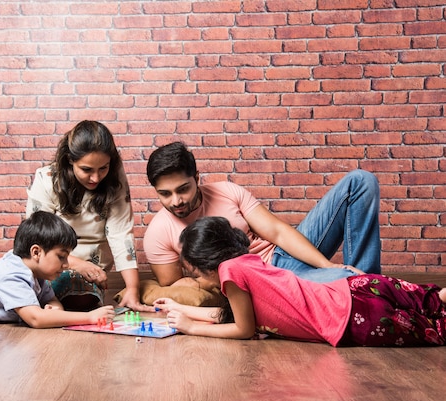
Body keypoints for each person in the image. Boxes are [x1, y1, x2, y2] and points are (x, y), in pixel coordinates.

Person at [154, 216, 446, 347]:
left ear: (209, 264)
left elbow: (243, 329)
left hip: (353, 320)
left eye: (197, 274)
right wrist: (178, 307)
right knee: (434, 298)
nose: (200, 282)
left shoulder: (231, 274)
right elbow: (231, 316)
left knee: (438, 330)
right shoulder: (247, 262)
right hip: (357, 289)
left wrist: (191, 328)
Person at [144, 141, 381, 288]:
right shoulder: (158, 232)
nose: (176, 201)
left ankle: (367, 285)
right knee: (344, 282)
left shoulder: (226, 191)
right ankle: (367, 289)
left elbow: (277, 232)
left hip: (282, 254)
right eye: (165, 194)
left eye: (183, 189)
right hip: (265, 280)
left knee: (360, 181)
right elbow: (175, 285)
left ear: (196, 178)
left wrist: (326, 265)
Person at [26, 120, 152, 312]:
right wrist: (75, 264)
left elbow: (121, 234)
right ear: (70, 160)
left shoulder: (114, 180)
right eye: (87, 170)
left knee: (81, 302)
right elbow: (36, 237)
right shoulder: (47, 179)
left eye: (103, 168)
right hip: (51, 263)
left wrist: (132, 289)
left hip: (94, 272)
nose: (95, 178)